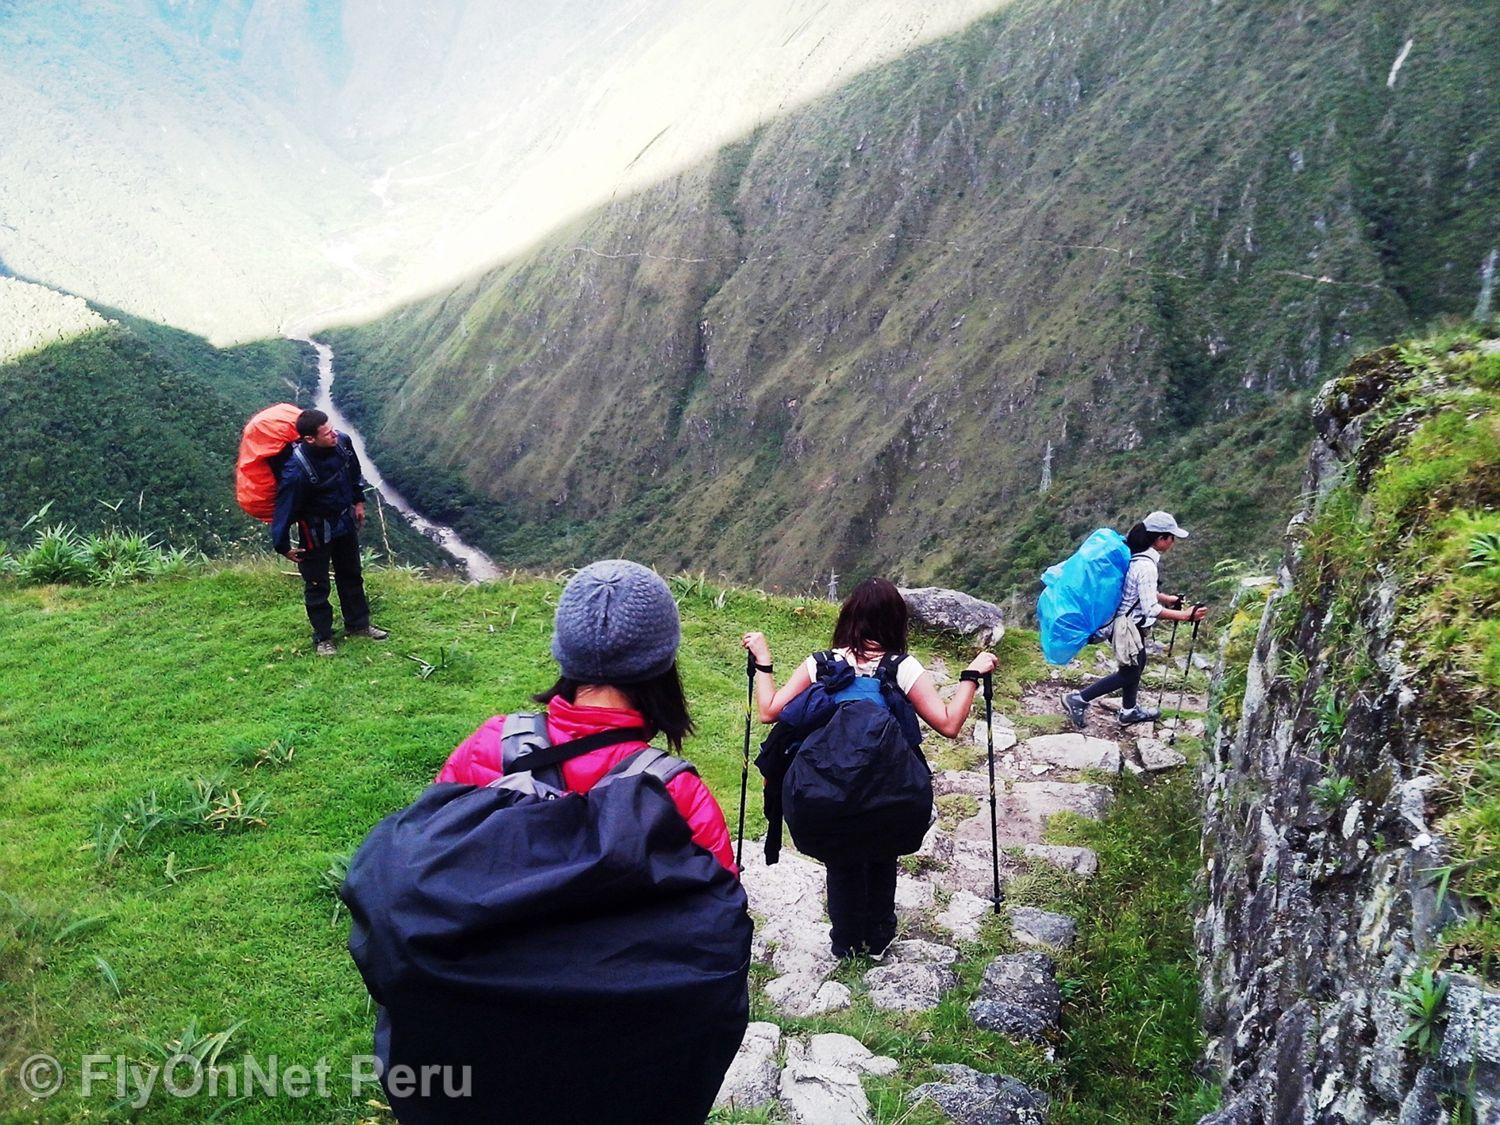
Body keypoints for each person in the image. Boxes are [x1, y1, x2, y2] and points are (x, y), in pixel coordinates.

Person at [742, 577, 996, 958]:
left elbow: (768, 711)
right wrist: (971, 676)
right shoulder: (902, 668)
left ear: (848, 617)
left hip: (826, 788)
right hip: (886, 788)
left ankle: (845, 943)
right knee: (882, 850)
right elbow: (948, 724)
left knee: (841, 859)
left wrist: (763, 659)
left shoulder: (822, 664)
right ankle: (878, 938)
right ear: (897, 621)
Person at [437, 558, 736, 871]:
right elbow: (718, 909)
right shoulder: (676, 792)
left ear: (565, 652)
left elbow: (431, 850)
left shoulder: (487, 746)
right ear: (662, 665)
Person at [1062, 510, 1207, 728]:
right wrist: (1186, 616)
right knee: (1129, 672)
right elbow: (1151, 609)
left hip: (1127, 623)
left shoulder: (1136, 556)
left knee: (1136, 667)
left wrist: (1166, 598)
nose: (1173, 542)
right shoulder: (1147, 566)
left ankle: (1128, 711)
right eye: (1171, 537)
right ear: (1160, 539)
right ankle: (1079, 699)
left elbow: (1137, 590)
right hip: (1128, 626)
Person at [269, 408, 388, 656]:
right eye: (327, 433)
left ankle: (358, 625)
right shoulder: (296, 471)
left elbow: (354, 473)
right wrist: (282, 545)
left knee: (352, 575)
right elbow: (284, 509)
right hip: (315, 533)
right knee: (317, 584)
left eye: (332, 428)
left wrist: (358, 502)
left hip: (344, 523)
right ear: (310, 439)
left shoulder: (342, 443)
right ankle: (323, 637)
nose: (334, 434)